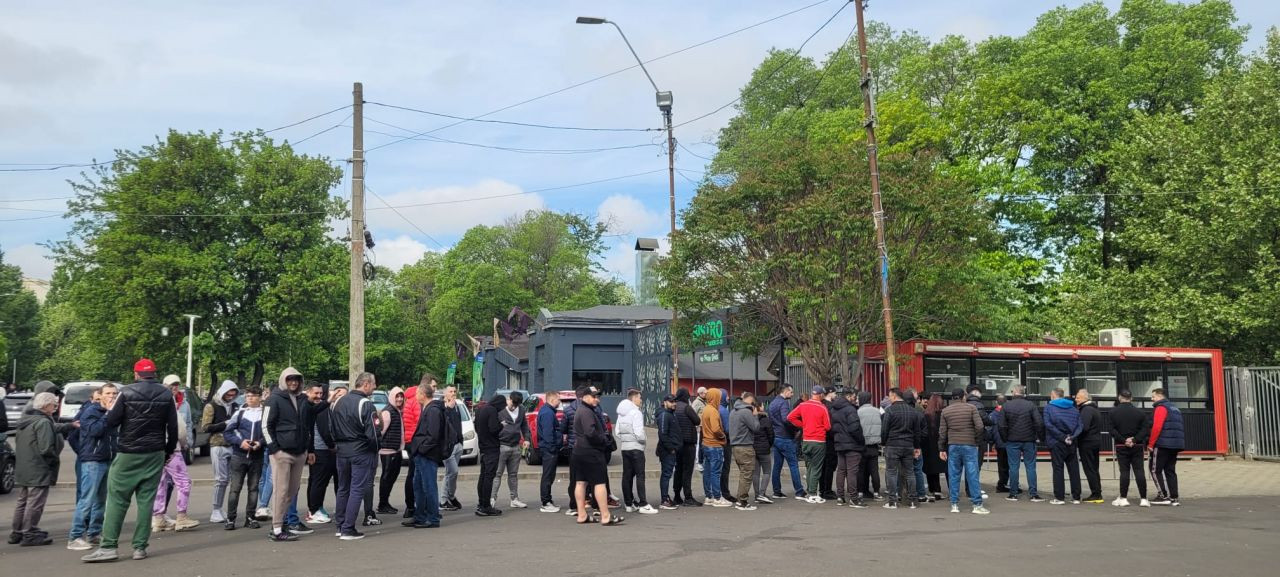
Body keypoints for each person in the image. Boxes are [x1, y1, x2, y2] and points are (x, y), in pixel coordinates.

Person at [82, 359, 179, 563]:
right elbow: (173, 427)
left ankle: (108, 547)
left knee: (117, 500)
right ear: (154, 373)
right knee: (146, 501)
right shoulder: (166, 394)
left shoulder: (126, 392)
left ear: (136, 374)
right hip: (155, 452)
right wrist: (168, 452)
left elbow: (111, 421)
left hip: (128, 451)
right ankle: (140, 547)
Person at [67, 383, 118, 551]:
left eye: (114, 393)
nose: (111, 396)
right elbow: (95, 431)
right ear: (100, 395)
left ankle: (94, 533)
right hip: (92, 461)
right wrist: (108, 414)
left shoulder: (112, 412)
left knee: (100, 500)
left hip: (107, 459)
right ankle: (75, 537)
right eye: (108, 393)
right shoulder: (91, 412)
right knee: (87, 499)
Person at [330, 372, 380, 540]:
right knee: (357, 489)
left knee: (343, 488)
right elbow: (373, 433)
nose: (375, 387)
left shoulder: (338, 402)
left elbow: (331, 428)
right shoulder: (366, 404)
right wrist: (375, 449)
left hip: (342, 451)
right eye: (373, 384)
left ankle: (340, 525)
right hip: (361, 451)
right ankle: (348, 528)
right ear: (365, 384)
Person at [9, 392, 63, 547]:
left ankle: (17, 531)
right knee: (35, 502)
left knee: (23, 501)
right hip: (38, 467)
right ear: (46, 405)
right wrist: (54, 460)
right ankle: (30, 533)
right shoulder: (43, 422)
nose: (55, 407)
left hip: (25, 466)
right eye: (54, 404)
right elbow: (46, 448)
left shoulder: (26, 420)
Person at [572, 387, 623, 526]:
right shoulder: (587, 412)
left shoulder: (581, 410)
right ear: (585, 397)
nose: (597, 399)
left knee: (581, 482)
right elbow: (590, 433)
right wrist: (604, 440)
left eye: (598, 397)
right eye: (594, 397)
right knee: (600, 483)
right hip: (591, 452)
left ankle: (582, 514)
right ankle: (605, 516)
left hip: (579, 451)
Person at [151, 385, 198, 533]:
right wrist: (184, 444)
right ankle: (181, 517)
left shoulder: (149, 407)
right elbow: (181, 430)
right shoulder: (170, 407)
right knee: (184, 482)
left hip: (155, 450)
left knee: (160, 483)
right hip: (172, 450)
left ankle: (158, 518)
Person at [403, 383, 448, 529]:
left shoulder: (433, 410)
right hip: (421, 454)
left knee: (429, 486)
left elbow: (433, 435)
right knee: (418, 486)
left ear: (423, 394)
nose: (415, 396)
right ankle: (420, 516)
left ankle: (433, 518)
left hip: (427, 455)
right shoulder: (427, 408)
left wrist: (421, 449)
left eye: (417, 393)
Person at [939, 388, 989, 515]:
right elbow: (980, 426)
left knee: (954, 475)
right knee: (972, 475)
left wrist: (941, 448)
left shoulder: (945, 411)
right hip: (969, 445)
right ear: (963, 397)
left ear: (952, 398)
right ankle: (977, 504)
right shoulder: (971, 408)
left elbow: (942, 432)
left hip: (953, 445)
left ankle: (954, 504)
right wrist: (976, 440)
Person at [222, 387, 266, 531]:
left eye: (253, 396)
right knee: (235, 489)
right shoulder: (240, 412)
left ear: (260, 397)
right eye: (247, 396)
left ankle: (250, 518)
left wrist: (260, 443)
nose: (250, 398)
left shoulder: (265, 413)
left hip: (257, 457)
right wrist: (240, 442)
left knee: (253, 489)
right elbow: (228, 433)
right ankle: (230, 519)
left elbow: (269, 433)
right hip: (238, 456)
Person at [202, 380, 240, 524]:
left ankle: (221, 509)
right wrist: (224, 424)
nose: (231, 397)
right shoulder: (211, 406)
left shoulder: (235, 406)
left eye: (233, 394)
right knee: (220, 479)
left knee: (228, 480)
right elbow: (205, 427)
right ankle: (215, 509)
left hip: (233, 444)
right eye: (228, 394)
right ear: (223, 392)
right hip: (218, 445)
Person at [788, 386, 832, 504]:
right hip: (818, 441)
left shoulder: (803, 405)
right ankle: (812, 493)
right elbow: (828, 426)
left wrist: (803, 425)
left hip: (806, 440)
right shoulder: (822, 408)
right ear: (821, 395)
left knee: (809, 467)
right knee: (816, 468)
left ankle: (809, 492)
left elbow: (790, 417)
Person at [1000, 385, 1044, 502]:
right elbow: (1039, 423)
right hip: (1029, 440)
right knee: (1031, 467)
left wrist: (1005, 438)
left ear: (1014, 393)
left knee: (1013, 467)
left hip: (1012, 440)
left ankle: (1013, 494)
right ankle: (1033, 494)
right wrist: (1040, 437)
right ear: (1023, 393)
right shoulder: (1031, 405)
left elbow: (1002, 425)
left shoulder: (1006, 406)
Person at [880, 388, 922, 510]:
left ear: (894, 396)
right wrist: (917, 447)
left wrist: (883, 442)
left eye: (889, 396)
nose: (889, 398)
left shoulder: (889, 410)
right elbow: (917, 432)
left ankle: (893, 501)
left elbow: (884, 429)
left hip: (892, 444)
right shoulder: (913, 411)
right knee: (910, 472)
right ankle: (912, 500)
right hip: (908, 445)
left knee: (892, 472)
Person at [616, 389, 656, 514]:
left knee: (627, 475)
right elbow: (639, 433)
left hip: (625, 448)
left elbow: (617, 431)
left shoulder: (621, 413)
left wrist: (625, 440)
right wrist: (643, 440)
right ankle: (643, 503)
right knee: (640, 475)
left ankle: (629, 504)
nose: (641, 400)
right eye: (639, 397)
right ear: (633, 398)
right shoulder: (636, 413)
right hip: (636, 448)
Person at [1109, 390, 1150, 507]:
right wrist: (1135, 439)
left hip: (1121, 446)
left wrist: (1124, 440)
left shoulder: (1113, 412)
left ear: (1119, 397)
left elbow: (1112, 430)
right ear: (1131, 398)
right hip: (1137, 446)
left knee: (1124, 471)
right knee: (1139, 471)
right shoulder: (1140, 412)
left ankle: (1123, 498)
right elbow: (1145, 429)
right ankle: (1143, 499)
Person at [307, 385, 342, 524]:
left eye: (321, 393)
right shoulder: (321, 409)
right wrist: (332, 445)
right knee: (319, 482)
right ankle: (314, 510)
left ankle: (315, 509)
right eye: (317, 393)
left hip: (318, 449)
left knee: (317, 481)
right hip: (321, 450)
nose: (319, 396)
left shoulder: (319, 407)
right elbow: (325, 430)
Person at [1043, 388, 1083, 505]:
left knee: (1058, 469)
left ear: (1053, 395)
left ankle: (1059, 497)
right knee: (1074, 470)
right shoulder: (1073, 408)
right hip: (1071, 442)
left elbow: (1048, 424)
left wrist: (1062, 437)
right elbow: (1080, 426)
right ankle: (1076, 497)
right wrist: (1072, 437)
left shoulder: (1049, 408)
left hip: (1056, 442)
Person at [1146, 388, 1185, 506]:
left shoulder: (1161, 408)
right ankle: (1174, 497)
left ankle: (1163, 496)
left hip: (1162, 443)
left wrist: (1151, 444)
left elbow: (1157, 427)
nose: (1152, 399)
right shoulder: (1175, 409)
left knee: (1154, 470)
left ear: (1159, 396)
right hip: (1175, 444)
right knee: (1170, 470)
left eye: (1153, 396)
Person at [494, 390, 531, 509]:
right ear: (509, 399)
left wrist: (527, 439)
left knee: (513, 474)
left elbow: (524, 425)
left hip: (515, 446)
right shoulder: (500, 410)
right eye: (512, 404)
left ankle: (514, 499)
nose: (514, 407)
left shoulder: (521, 409)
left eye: (516, 405)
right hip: (502, 445)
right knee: (497, 474)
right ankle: (492, 499)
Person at [830, 389, 866, 508]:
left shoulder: (834, 408)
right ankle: (854, 499)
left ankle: (840, 497)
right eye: (854, 396)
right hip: (852, 444)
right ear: (849, 396)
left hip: (839, 443)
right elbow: (855, 428)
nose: (856, 399)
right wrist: (861, 441)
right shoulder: (850, 409)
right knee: (852, 472)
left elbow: (832, 427)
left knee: (841, 470)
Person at [768, 385, 805, 500]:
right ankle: (799, 491)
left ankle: (776, 491)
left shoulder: (773, 403)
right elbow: (786, 419)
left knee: (777, 466)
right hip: (786, 438)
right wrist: (796, 429)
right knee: (793, 465)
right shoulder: (783, 403)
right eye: (791, 392)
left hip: (776, 437)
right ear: (786, 391)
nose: (792, 394)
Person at [727, 392, 760, 511]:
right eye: (753, 403)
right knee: (747, 474)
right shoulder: (746, 412)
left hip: (735, 447)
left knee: (743, 474)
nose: (753, 406)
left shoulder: (733, 411)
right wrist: (755, 416)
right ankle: (742, 502)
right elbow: (756, 427)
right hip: (745, 446)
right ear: (750, 400)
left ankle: (740, 500)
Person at [474, 393, 506, 517]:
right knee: (489, 477)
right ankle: (486, 506)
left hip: (483, 446)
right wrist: (501, 425)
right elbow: (494, 428)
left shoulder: (481, 409)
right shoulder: (492, 411)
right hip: (492, 447)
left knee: (483, 476)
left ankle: (481, 503)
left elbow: (476, 427)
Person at [375, 387, 405, 516]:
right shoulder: (388, 412)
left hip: (395, 450)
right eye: (397, 396)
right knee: (387, 477)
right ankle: (382, 504)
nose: (399, 399)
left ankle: (385, 502)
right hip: (387, 451)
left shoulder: (397, 411)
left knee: (391, 477)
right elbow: (380, 431)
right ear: (392, 397)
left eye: (401, 396)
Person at [697, 388, 730, 507]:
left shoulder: (706, 409)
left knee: (707, 471)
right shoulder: (714, 411)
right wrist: (723, 436)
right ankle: (717, 498)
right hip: (715, 445)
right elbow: (716, 429)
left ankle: (709, 496)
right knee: (716, 472)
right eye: (718, 396)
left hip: (706, 444)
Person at [671, 388, 702, 507]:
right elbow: (697, 420)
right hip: (688, 443)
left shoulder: (674, 407)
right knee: (687, 471)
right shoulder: (687, 407)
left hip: (677, 444)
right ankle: (688, 497)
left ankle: (677, 496)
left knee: (678, 470)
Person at [1075, 389, 1105, 504]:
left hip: (1087, 442)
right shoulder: (1094, 409)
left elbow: (1084, 427)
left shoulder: (1086, 410)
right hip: (1095, 441)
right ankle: (1097, 492)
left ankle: (1096, 494)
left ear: (1085, 398)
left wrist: (1074, 434)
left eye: (1078, 397)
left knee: (1089, 468)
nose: (1076, 399)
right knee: (1094, 468)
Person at [537, 390, 563, 512]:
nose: (560, 402)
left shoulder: (547, 411)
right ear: (552, 400)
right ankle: (546, 502)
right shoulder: (548, 413)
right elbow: (548, 433)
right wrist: (553, 448)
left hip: (548, 448)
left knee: (549, 476)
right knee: (548, 476)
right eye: (558, 399)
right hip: (549, 450)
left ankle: (548, 500)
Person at [439, 386, 464, 511]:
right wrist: (448, 408)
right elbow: (442, 423)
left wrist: (461, 442)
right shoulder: (442, 406)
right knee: (452, 472)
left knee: (450, 473)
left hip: (458, 444)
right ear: (445, 393)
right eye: (450, 391)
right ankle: (444, 500)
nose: (453, 393)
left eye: (454, 391)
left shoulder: (457, 406)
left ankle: (450, 497)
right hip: (448, 446)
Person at [656, 394, 682, 510]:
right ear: (665, 402)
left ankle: (666, 498)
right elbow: (663, 434)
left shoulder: (671, 414)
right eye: (671, 402)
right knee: (666, 474)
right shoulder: (664, 415)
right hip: (667, 451)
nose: (674, 403)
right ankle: (664, 500)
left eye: (675, 401)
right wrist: (671, 448)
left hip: (671, 450)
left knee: (667, 474)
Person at [856, 390, 882, 501]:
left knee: (861, 470)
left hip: (862, 446)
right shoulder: (877, 411)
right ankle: (876, 492)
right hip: (874, 446)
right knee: (874, 470)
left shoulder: (858, 412)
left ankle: (860, 492)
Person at [921, 393, 946, 501]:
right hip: (939, 445)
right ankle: (938, 491)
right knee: (941, 468)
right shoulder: (942, 415)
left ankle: (932, 490)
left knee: (930, 468)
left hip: (927, 445)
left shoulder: (925, 414)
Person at [750, 399, 774, 505]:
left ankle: (756, 495)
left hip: (753, 448)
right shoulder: (765, 420)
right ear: (760, 407)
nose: (764, 407)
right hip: (764, 449)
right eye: (763, 405)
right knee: (767, 471)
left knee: (755, 473)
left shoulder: (750, 419)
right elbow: (771, 435)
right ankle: (762, 493)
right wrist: (769, 445)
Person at [990, 394, 1010, 493]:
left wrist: (992, 442)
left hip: (999, 443)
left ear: (996, 402)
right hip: (1010, 442)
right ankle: (1010, 484)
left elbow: (990, 430)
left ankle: (1002, 484)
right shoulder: (1010, 413)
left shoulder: (993, 415)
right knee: (1012, 465)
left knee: (1002, 465)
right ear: (1007, 402)